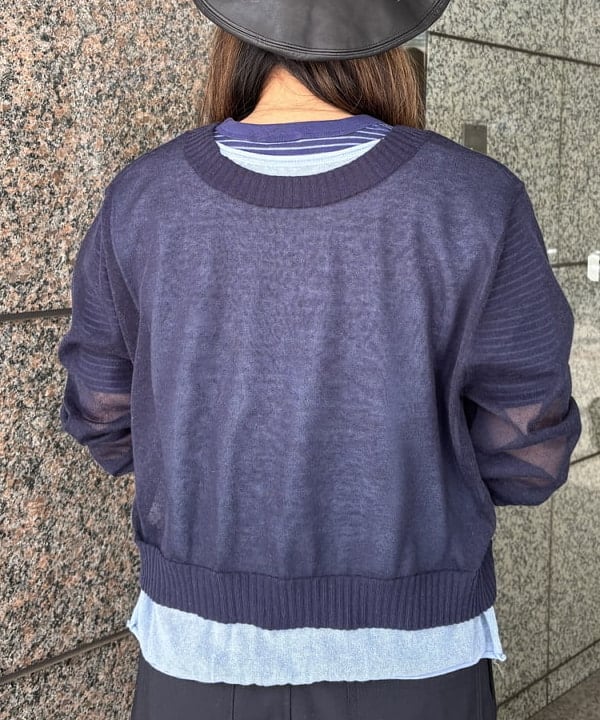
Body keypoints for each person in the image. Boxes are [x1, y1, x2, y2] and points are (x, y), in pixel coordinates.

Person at [56, 1, 582, 718]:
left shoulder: (143, 199)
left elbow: (103, 416)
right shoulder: (474, 201)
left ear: (235, 36)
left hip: (198, 656)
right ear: (388, 40)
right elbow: (528, 453)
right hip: (416, 658)